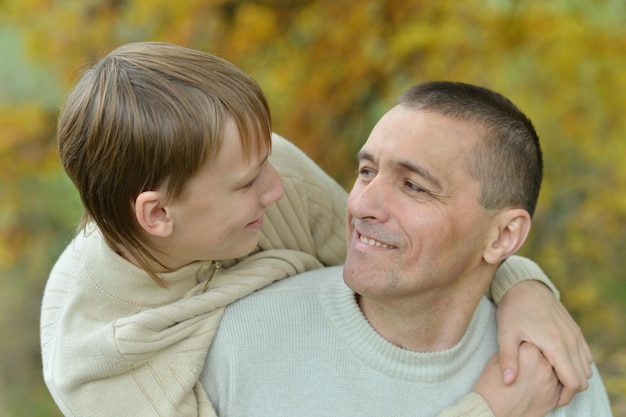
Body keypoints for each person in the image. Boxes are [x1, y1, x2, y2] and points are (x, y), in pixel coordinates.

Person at [39, 42, 591, 417]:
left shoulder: (245, 167)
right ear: (159, 215)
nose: (278, 188)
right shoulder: (104, 372)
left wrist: (520, 282)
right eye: (249, 181)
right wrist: (487, 410)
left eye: (268, 160)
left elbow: (398, 249)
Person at [200, 81, 613, 416]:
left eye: (413, 186)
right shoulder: (241, 340)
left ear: (503, 236)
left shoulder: (550, 373)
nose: (361, 205)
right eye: (366, 172)